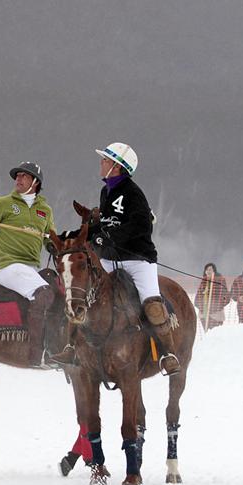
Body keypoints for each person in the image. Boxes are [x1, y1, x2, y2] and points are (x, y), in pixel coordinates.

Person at [51, 142, 181, 375]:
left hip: (139, 260)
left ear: (117, 166)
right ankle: (71, 347)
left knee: (152, 305)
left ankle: (168, 354)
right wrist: (68, 236)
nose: (101, 163)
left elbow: (142, 225)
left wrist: (110, 237)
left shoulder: (133, 193)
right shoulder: (106, 192)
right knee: (85, 292)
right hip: (110, 259)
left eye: (105, 160)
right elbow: (101, 227)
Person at [0, 161, 56, 367]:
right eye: (17, 175)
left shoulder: (45, 210)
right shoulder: (3, 203)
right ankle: (37, 355)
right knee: (43, 294)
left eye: (24, 176)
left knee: (60, 292)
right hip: (8, 266)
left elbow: (50, 237)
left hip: (31, 269)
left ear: (35, 182)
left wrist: (53, 245)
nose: (18, 179)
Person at [195, 262, 231, 331]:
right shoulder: (203, 281)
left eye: (210, 269)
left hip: (216, 315)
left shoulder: (220, 281)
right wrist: (201, 308)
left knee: (215, 333)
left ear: (214, 271)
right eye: (207, 270)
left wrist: (217, 307)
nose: (208, 271)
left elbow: (226, 297)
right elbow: (197, 299)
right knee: (207, 334)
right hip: (204, 315)